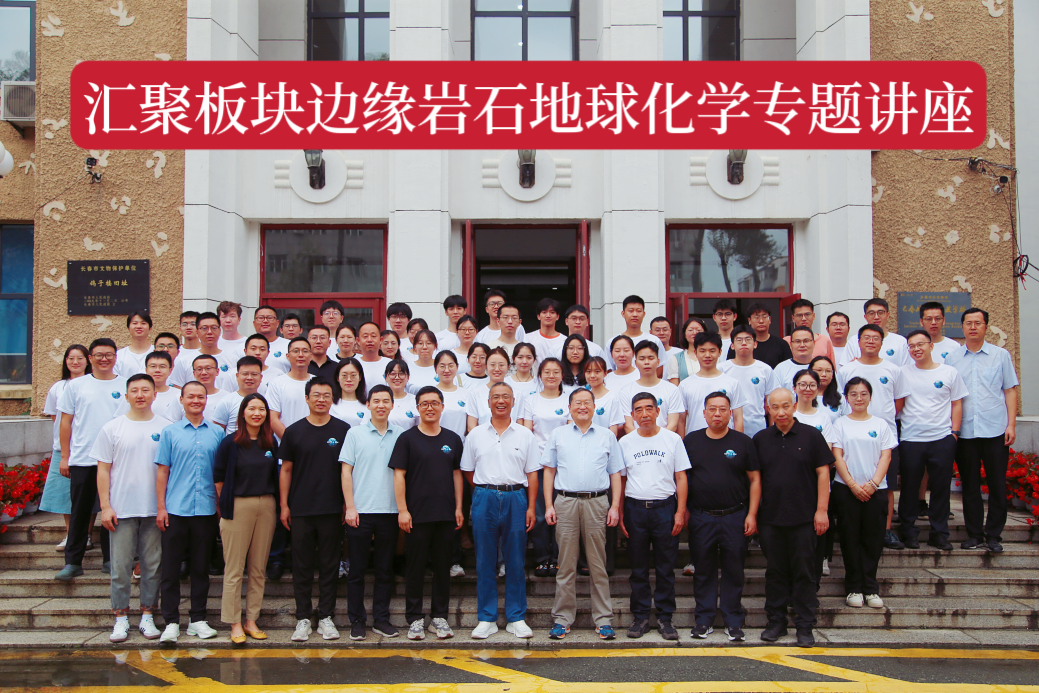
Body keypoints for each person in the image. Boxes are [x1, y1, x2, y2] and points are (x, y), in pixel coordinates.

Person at [542, 388, 624, 641]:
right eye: (577, 402)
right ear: (569, 407)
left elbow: (615, 473)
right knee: (566, 564)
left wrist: (614, 506)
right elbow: (549, 471)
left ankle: (603, 619)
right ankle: (562, 618)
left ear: (594, 407)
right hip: (565, 502)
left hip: (597, 502)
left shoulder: (607, 436)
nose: (582, 406)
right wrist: (549, 505)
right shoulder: (558, 434)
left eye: (587, 402)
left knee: (598, 564)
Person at [754, 389, 833, 648]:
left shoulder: (812, 436)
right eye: (775, 407)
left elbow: (823, 473)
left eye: (786, 406)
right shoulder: (761, 439)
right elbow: (755, 480)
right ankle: (776, 622)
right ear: (768, 409)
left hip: (804, 518)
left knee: (804, 572)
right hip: (771, 518)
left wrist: (821, 510)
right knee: (775, 572)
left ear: (794, 406)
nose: (781, 412)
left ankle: (805, 625)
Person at [461, 382, 540, 640]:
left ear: (513, 401)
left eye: (506, 396)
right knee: (484, 560)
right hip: (484, 496)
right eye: (496, 397)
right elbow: (468, 470)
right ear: (488, 402)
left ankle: (516, 617)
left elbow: (532, 473)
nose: (501, 401)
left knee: (515, 560)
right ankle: (487, 618)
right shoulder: (475, 435)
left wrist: (531, 506)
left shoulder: (525, 435)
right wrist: (486, 489)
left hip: (516, 497)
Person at [94, 373, 169, 643]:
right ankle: (120, 617)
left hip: (154, 509)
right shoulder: (112, 428)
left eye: (145, 390)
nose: (140, 395)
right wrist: (105, 506)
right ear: (126, 396)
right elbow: (103, 470)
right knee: (120, 566)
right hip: (121, 508)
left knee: (152, 565)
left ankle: (148, 614)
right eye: (134, 390)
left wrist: (164, 506)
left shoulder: (166, 427)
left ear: (154, 395)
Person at [389, 387, 465, 641]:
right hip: (416, 515)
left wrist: (458, 507)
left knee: (443, 568)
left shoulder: (453, 439)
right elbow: (399, 475)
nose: (430, 408)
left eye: (434, 403)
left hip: (445, 514)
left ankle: (439, 617)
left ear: (442, 406)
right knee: (415, 568)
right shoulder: (407, 439)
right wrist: (403, 510)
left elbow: (457, 474)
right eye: (424, 404)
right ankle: (414, 618)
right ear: (418, 408)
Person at [683, 392, 760, 641]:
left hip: (735, 516)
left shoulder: (743, 442)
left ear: (730, 413)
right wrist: (684, 510)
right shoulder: (691, 441)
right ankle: (703, 620)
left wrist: (752, 514)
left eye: (723, 409)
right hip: (701, 517)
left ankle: (733, 621)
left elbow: (755, 480)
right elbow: (682, 478)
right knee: (703, 570)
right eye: (712, 409)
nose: (717, 414)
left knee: (734, 570)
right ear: (704, 413)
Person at [279, 378, 350, 642]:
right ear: (307, 398)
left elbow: (348, 470)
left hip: (332, 508)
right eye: (316, 395)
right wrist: (284, 505)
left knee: (330, 565)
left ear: (333, 399)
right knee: (302, 565)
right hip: (301, 508)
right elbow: (286, 470)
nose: (321, 399)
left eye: (326, 395)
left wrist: (347, 502)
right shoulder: (294, 431)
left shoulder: (343, 430)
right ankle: (303, 618)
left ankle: (326, 617)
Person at [945, 308, 1019, 554]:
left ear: (986, 326)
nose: (973, 327)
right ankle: (975, 534)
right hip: (965, 432)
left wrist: (1011, 424)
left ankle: (994, 535)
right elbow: (948, 396)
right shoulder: (952, 358)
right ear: (962, 327)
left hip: (995, 429)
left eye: (978, 323)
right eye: (968, 323)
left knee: (997, 484)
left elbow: (1009, 390)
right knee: (969, 485)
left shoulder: (1000, 355)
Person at [155, 381, 224, 643]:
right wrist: (161, 507)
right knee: (170, 569)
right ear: (182, 400)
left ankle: (198, 619)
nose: (196, 400)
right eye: (191, 396)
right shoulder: (170, 432)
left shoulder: (217, 433)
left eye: (201, 397)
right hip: (176, 509)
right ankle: (171, 622)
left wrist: (220, 506)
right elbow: (163, 471)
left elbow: (219, 474)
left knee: (200, 568)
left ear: (206, 400)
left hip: (206, 510)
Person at [54, 338, 126, 582]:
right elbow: (65, 422)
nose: (104, 359)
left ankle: (110, 559)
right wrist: (65, 457)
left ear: (115, 357)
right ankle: (73, 562)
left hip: (116, 460)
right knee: (79, 511)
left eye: (109, 354)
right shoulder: (76, 385)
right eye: (99, 355)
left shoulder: (126, 384)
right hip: (83, 458)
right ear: (90, 358)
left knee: (112, 509)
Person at [619, 393, 690, 641]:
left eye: (649, 408)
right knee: (638, 567)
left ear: (658, 411)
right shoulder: (625, 442)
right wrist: (620, 511)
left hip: (665, 509)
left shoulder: (672, 439)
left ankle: (665, 617)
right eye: (638, 410)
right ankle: (640, 617)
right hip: (635, 509)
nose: (644, 414)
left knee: (665, 567)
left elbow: (681, 477)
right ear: (632, 415)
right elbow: (621, 479)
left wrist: (680, 511)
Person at [213, 393, 279, 644]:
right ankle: (234, 622)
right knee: (234, 568)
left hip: (266, 505)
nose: (257, 413)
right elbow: (219, 477)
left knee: (258, 567)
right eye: (252, 408)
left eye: (261, 409)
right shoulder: (230, 443)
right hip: (238, 505)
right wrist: (225, 505)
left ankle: (252, 620)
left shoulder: (270, 442)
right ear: (243, 413)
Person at [339, 384, 402, 641]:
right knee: (356, 570)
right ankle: (357, 620)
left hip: (390, 511)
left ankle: (381, 619)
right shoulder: (354, 434)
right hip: (360, 511)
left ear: (392, 405)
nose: (381, 405)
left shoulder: (401, 435)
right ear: (368, 404)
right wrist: (350, 507)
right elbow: (346, 472)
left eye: (385, 401)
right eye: (376, 401)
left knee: (385, 570)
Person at [895, 329, 967, 551]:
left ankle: (939, 533)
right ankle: (909, 532)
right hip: (911, 439)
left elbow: (957, 403)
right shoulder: (902, 373)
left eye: (921, 344)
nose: (916, 349)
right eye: (912, 346)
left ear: (931, 346)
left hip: (941, 439)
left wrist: (954, 433)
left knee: (941, 489)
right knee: (909, 488)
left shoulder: (949, 372)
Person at [838, 324, 905, 552]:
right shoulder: (847, 369)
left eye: (875, 338)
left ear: (882, 342)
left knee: (886, 485)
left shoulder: (893, 369)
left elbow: (899, 400)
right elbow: (841, 398)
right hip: (852, 435)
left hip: (883, 436)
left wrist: (881, 420)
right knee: (852, 479)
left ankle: (885, 529)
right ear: (858, 342)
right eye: (866, 337)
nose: (870, 341)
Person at [831, 378, 894, 609]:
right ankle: (853, 588)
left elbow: (886, 456)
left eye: (864, 393)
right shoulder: (840, 424)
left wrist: (873, 484)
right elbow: (837, 456)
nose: (859, 398)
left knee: (873, 540)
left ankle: (871, 588)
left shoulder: (881, 424)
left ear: (870, 397)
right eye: (854, 394)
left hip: (875, 490)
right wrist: (852, 484)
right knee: (849, 539)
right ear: (847, 398)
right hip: (846, 490)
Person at [520, 358, 570, 577]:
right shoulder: (531, 400)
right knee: (540, 513)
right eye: (547, 372)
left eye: (556, 371)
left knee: (561, 513)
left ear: (562, 375)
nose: (551, 375)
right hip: (538, 464)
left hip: (563, 465)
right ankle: (542, 558)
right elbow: (527, 432)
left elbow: (570, 432)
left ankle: (559, 558)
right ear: (539, 375)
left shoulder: (569, 399)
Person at [40, 344, 91, 549]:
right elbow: (57, 419)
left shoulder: (92, 384)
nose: (75, 362)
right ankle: (71, 535)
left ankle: (86, 535)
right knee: (64, 494)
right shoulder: (58, 387)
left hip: (86, 447)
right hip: (63, 449)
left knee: (88, 494)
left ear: (87, 361)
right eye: (71, 358)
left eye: (80, 358)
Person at [678, 332, 745, 435]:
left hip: (726, 440)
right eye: (702, 351)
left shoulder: (732, 383)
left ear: (720, 352)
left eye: (712, 351)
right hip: (695, 441)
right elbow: (681, 421)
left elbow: (738, 418)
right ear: (695, 352)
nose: (707, 355)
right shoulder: (685, 385)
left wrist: (738, 442)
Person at [720, 325, 780, 437]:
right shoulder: (721, 369)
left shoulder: (765, 370)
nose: (744, 343)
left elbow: (772, 404)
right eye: (739, 340)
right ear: (732, 345)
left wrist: (774, 433)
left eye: (748, 339)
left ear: (755, 344)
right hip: (727, 429)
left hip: (758, 429)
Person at [619, 341, 684, 434]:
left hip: (664, 440)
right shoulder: (626, 391)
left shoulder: (672, 389)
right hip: (636, 441)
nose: (646, 362)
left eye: (651, 358)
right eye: (642, 359)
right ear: (635, 363)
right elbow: (628, 425)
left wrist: (657, 439)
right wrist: (641, 439)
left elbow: (673, 425)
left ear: (658, 361)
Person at [170, 312, 234, 388]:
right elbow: (178, 389)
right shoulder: (184, 361)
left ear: (220, 331)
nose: (209, 332)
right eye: (204, 328)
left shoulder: (232, 359)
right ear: (197, 332)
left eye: (214, 328)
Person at [266, 337, 313, 440]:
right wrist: (290, 442)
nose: (300, 355)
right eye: (295, 351)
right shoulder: (277, 383)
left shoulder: (318, 383)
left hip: (313, 443)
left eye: (305, 351)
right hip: (285, 445)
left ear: (311, 356)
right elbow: (273, 419)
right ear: (288, 356)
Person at [846, 299, 910, 367]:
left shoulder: (901, 341)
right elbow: (847, 368)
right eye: (871, 313)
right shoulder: (854, 341)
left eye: (880, 313)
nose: (876, 317)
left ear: (888, 315)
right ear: (865, 317)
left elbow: (906, 369)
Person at [607, 296, 665, 370]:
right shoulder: (612, 342)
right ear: (623, 313)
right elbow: (609, 369)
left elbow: (660, 369)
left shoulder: (654, 340)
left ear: (644, 314)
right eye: (631, 311)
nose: (635, 314)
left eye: (639, 311)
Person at [211, 356, 265, 436]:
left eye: (254, 374)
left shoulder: (265, 401)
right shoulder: (227, 401)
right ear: (237, 376)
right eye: (245, 374)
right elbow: (216, 432)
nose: (249, 378)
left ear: (261, 377)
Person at [726, 304, 791, 368]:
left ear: (770, 319)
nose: (761, 321)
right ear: (749, 320)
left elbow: (788, 368)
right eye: (756, 317)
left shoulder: (782, 344)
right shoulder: (739, 345)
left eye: (764, 317)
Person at [434, 351, 473, 440]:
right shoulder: (429, 394)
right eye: (442, 366)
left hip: (460, 445)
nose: (447, 370)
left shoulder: (467, 394)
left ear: (457, 367)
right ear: (436, 368)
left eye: (451, 365)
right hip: (435, 444)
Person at [792, 370, 838, 445]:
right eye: (803, 384)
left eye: (812, 385)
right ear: (794, 388)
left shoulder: (824, 417)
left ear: (817, 388)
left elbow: (827, 448)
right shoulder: (788, 415)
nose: (808, 389)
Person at [584, 356, 624, 437]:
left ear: (605, 373)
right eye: (588, 371)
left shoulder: (612, 398)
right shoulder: (582, 397)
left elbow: (613, 431)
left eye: (597, 371)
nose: (592, 375)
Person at [773, 326, 818, 392]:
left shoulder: (822, 366)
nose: (802, 345)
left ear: (814, 343)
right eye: (797, 341)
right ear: (791, 345)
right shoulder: (781, 369)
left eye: (806, 341)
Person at [190, 354, 234, 420]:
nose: (204, 373)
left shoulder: (228, 397)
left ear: (217, 371)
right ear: (194, 373)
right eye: (199, 369)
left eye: (208, 368)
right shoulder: (184, 398)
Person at [666, 317, 708, 384]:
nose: (694, 333)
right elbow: (674, 386)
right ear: (684, 334)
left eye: (698, 330)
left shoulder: (712, 356)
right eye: (690, 330)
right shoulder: (676, 358)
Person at [330, 357, 370, 426]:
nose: (349, 379)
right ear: (337, 378)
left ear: (360, 377)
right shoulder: (330, 404)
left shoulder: (368, 406)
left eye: (353, 375)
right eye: (344, 375)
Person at [114, 311, 154, 378]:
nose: (139, 326)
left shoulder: (157, 352)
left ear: (150, 328)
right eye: (135, 323)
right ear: (128, 328)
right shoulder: (118, 356)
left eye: (143, 323)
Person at [527, 298, 567, 363]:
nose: (548, 315)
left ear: (557, 317)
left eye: (552, 312)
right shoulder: (528, 338)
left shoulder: (565, 341)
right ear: (538, 316)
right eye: (544, 312)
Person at [384, 359, 420, 430]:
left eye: (401, 374)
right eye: (393, 374)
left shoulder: (415, 400)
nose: (397, 377)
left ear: (408, 377)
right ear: (386, 377)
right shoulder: (380, 400)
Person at [253, 305, 289, 372]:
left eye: (270, 318)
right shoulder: (243, 347)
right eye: (261, 318)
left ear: (277, 323)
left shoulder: (289, 346)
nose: (265, 321)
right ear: (254, 323)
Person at [356, 322, 391, 390]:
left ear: (381, 340)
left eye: (373, 336)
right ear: (358, 341)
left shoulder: (390, 364)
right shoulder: (353, 364)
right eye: (365, 336)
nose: (369, 340)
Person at [811, 356, 844, 422]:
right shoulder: (800, 396)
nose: (824, 374)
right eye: (819, 370)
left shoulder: (840, 398)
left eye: (828, 371)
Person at [171, 311, 201, 382]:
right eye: (184, 324)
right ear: (180, 329)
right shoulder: (175, 353)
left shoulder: (207, 351)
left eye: (193, 324)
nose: (188, 327)